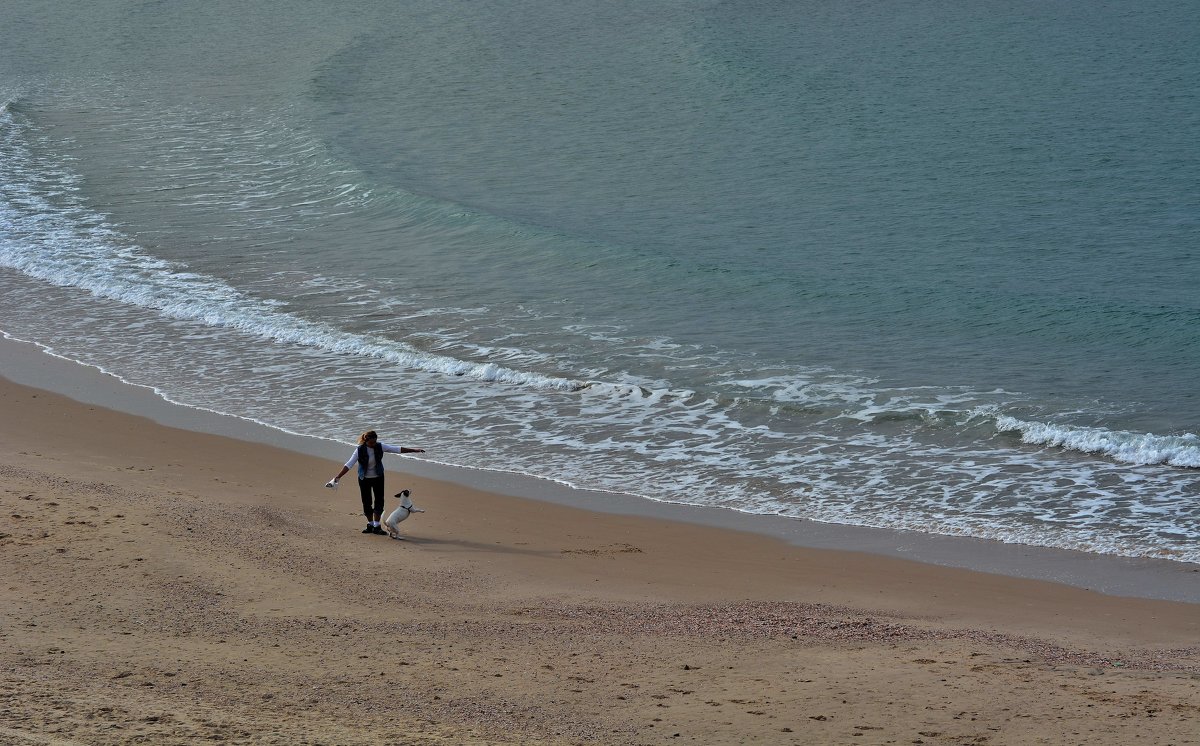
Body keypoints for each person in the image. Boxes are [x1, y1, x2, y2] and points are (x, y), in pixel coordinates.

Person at [326, 430, 425, 535]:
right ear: (366, 440)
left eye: (375, 442)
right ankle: (370, 524)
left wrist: (415, 450)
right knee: (367, 501)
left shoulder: (379, 446)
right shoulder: (359, 450)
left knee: (379, 501)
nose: (373, 445)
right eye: (371, 443)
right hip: (364, 479)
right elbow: (349, 464)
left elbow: (396, 449)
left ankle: (377, 526)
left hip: (378, 477)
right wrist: (338, 476)